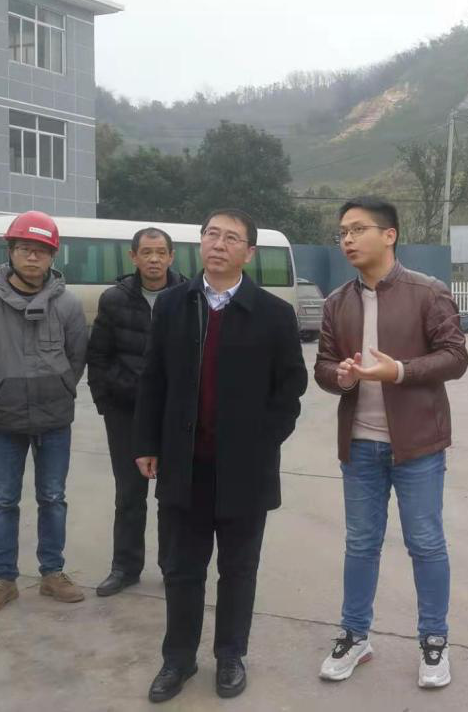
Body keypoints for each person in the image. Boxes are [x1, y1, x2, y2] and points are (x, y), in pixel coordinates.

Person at [134, 208, 307, 703]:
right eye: (212, 234)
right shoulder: (174, 304)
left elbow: (290, 390)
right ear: (200, 243)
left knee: (238, 570)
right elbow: (153, 378)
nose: (219, 244)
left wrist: (261, 442)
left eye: (232, 238)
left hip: (244, 471)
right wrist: (147, 443)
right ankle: (178, 659)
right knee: (181, 569)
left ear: (248, 253)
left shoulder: (273, 314)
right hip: (183, 465)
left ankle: (231, 654)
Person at [314, 196, 468, 689]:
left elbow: (456, 357)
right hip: (359, 444)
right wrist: (340, 376)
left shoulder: (428, 292)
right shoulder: (337, 301)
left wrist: (399, 371)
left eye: (358, 229)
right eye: (343, 231)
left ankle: (434, 640)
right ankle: (355, 635)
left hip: (418, 445)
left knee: (426, 543)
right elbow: (322, 365)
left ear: (390, 235)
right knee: (361, 544)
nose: (348, 239)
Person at [0, 211, 89, 615]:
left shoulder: (67, 303)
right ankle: (3, 579)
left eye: (41, 251)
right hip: (3, 419)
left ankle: (52, 572)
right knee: (3, 500)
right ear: (10, 252)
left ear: (52, 256)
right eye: (25, 249)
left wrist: (60, 388)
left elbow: (76, 356)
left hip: (54, 419)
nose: (33, 257)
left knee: (53, 497)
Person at [87, 227, 185, 596]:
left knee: (172, 495)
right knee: (129, 493)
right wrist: (105, 400)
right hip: (126, 411)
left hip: (173, 414)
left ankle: (173, 566)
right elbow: (98, 355)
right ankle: (125, 567)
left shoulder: (189, 296)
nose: (154, 259)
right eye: (147, 252)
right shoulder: (115, 299)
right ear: (134, 257)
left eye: (161, 252)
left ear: (171, 256)